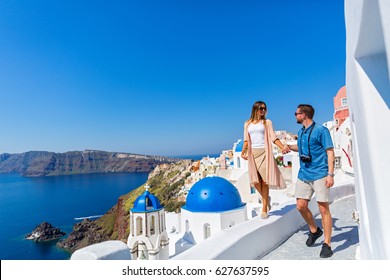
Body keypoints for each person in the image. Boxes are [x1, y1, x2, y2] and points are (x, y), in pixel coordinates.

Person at [284, 104, 335, 258]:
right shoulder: (301, 132)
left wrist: (330, 174)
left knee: (323, 209)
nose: (295, 116)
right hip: (303, 175)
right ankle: (315, 230)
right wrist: (288, 147)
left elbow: (330, 152)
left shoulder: (321, 130)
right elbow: (301, 148)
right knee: (300, 206)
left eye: (296, 113)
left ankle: (327, 244)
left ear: (304, 115)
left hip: (320, 174)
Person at [241, 101, 288, 219]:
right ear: (255, 109)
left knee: (265, 181)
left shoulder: (267, 122)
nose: (263, 111)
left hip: (265, 152)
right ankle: (266, 198)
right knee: (255, 181)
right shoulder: (247, 124)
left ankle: (264, 208)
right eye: (261, 108)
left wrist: (282, 147)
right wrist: (243, 152)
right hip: (253, 154)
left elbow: (273, 137)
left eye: (264, 109)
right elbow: (246, 140)